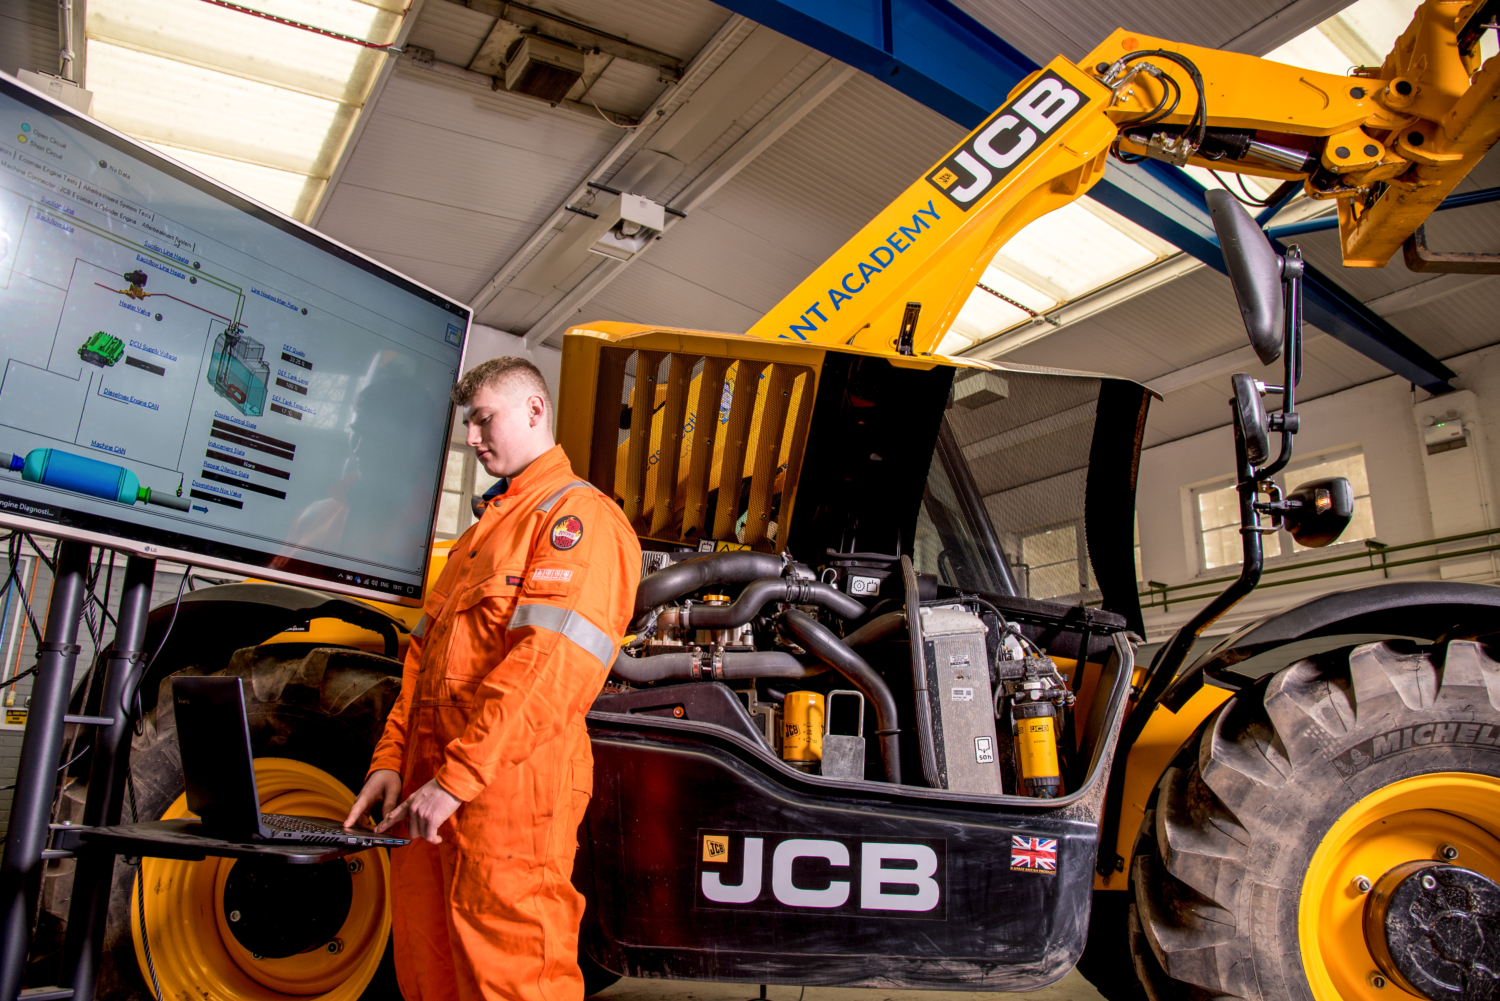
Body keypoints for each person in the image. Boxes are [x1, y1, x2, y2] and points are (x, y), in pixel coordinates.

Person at [344, 356, 641, 1001]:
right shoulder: (481, 536)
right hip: (429, 795)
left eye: (484, 420)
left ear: (535, 410)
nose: (472, 438)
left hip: (507, 798)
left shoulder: (576, 520)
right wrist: (390, 760)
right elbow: (421, 667)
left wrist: (457, 779)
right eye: (468, 425)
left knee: (509, 974)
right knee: (428, 971)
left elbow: (549, 669)